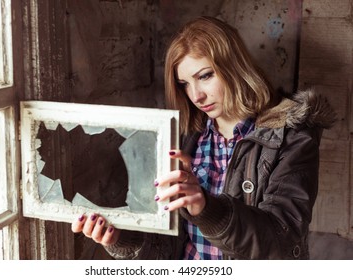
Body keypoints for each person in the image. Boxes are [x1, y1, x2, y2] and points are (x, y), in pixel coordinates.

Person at [71, 16, 336, 259]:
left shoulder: (292, 138)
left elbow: (282, 241)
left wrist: (206, 207)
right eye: (184, 84)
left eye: (205, 76)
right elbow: (162, 240)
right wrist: (120, 237)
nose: (196, 96)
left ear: (234, 67)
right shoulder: (184, 139)